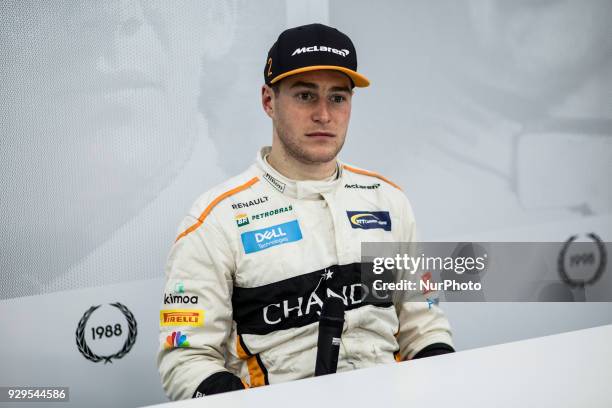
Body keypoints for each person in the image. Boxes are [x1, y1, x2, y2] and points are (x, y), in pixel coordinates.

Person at [157, 23, 454, 400]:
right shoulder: (215, 220)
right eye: (304, 96)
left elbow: (423, 325)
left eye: (338, 98)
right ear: (268, 101)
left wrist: (445, 387)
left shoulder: (387, 201)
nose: (324, 115)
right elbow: (186, 357)